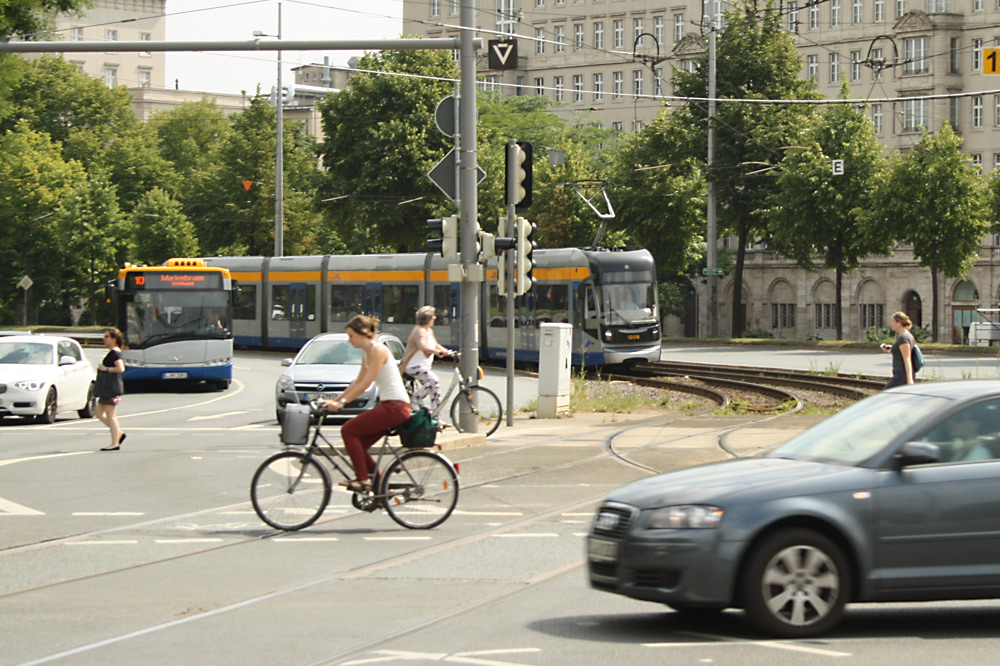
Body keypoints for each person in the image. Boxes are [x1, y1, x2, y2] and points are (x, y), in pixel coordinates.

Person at [321, 315, 411, 493]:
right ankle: (381, 489)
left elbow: (366, 383)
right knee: (359, 444)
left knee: (348, 430)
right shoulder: (367, 353)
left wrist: (342, 404)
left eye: (351, 336)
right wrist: (335, 401)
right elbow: (357, 381)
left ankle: (363, 480)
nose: (349, 340)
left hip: (396, 407)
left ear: (363, 334)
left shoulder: (378, 351)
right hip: (389, 406)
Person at [399, 305, 452, 413]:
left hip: (423, 366)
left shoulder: (428, 330)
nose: (435, 318)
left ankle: (436, 417)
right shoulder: (419, 331)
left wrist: (448, 352)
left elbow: (436, 344)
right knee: (434, 380)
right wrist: (437, 352)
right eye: (433, 317)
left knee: (436, 389)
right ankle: (415, 400)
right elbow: (423, 346)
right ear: (428, 319)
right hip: (413, 366)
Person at [96, 328, 127, 451]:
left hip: (111, 388)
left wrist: (106, 369)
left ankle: (115, 442)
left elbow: (121, 368)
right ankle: (118, 433)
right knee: (98, 413)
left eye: (107, 336)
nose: (104, 338)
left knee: (110, 415)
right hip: (106, 388)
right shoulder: (112, 352)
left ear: (114, 339)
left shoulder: (115, 353)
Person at [880, 311, 916, 390]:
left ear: (899, 323)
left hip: (902, 375)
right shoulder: (907, 335)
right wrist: (891, 349)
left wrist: (909, 380)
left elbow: (907, 359)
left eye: (893, 321)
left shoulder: (904, 338)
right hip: (901, 374)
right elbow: (901, 351)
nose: (891, 323)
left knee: (885, 394)